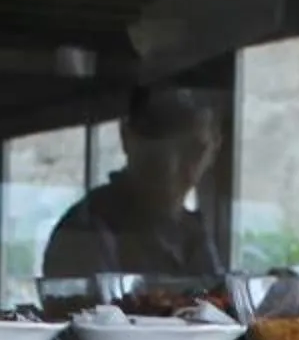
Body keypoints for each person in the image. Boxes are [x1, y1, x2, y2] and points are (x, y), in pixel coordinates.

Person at [41, 85, 228, 282]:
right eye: (157, 143)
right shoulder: (86, 233)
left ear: (214, 149)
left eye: (192, 149)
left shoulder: (193, 234)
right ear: (126, 136)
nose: (170, 167)